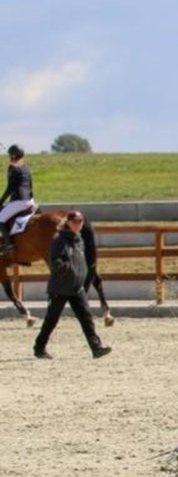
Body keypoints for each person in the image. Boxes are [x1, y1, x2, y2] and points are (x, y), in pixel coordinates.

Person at [33, 210, 112, 359]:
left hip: (77, 287)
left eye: (80, 222)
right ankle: (39, 347)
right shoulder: (59, 239)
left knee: (86, 317)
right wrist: (67, 269)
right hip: (60, 287)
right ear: (68, 223)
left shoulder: (79, 240)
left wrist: (81, 275)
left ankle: (96, 348)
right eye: (75, 222)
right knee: (51, 319)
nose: (78, 224)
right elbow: (55, 261)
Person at [0, 143, 35, 255]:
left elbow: (10, 188)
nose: (9, 157)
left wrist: (0, 201)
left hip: (19, 201)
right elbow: (30, 185)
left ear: (14, 156)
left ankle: (9, 245)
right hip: (29, 201)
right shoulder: (26, 168)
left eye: (10, 155)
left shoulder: (13, 168)